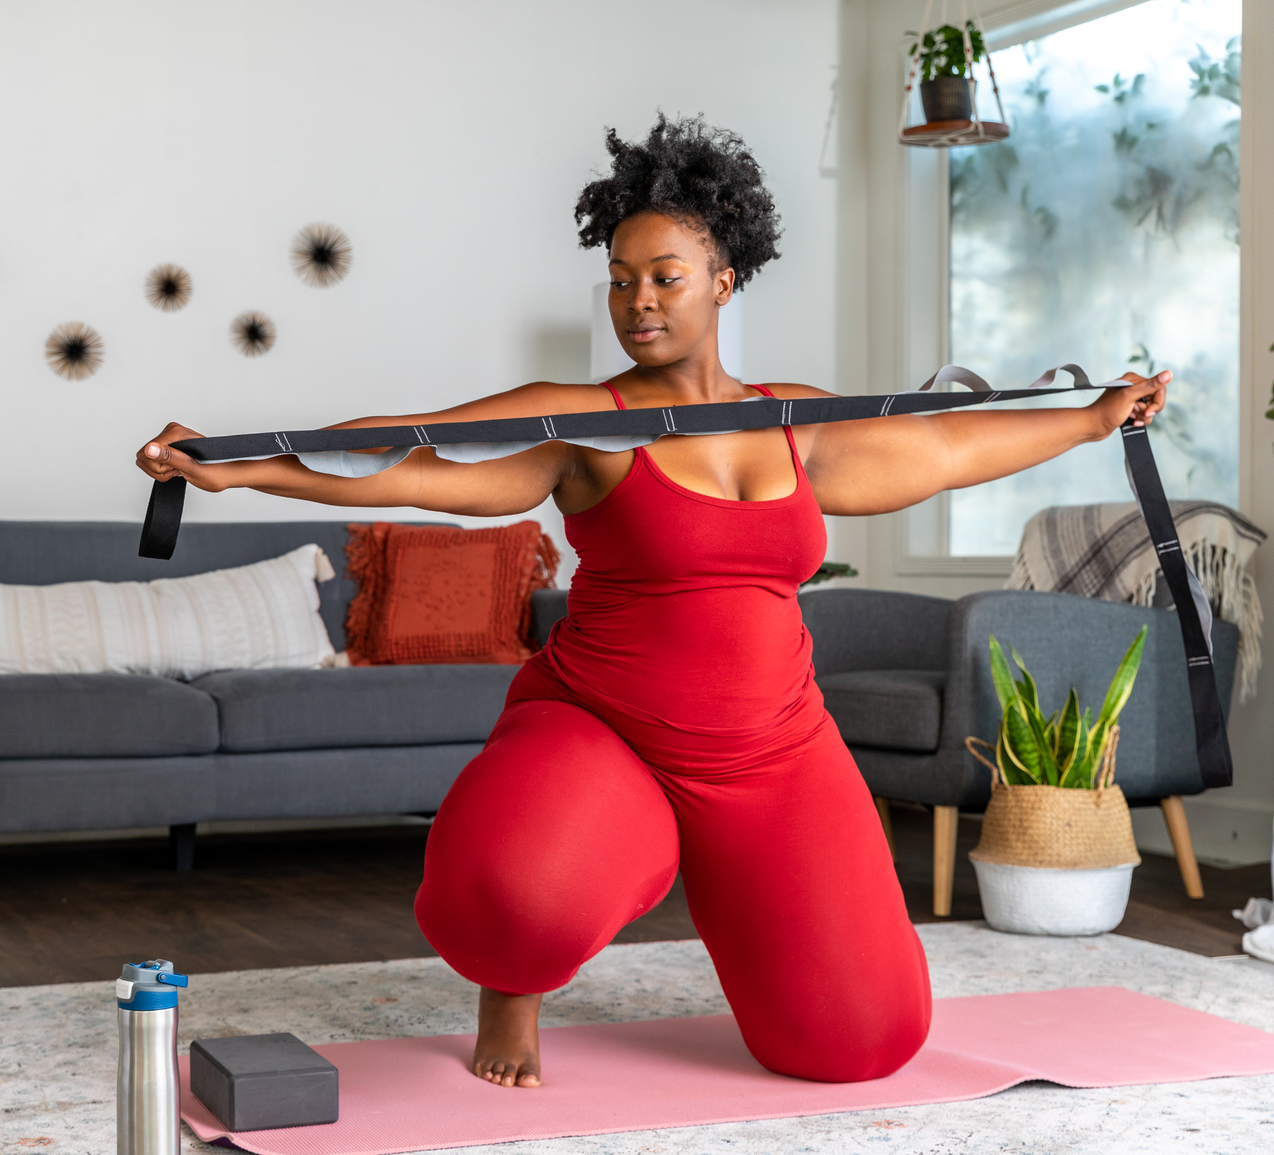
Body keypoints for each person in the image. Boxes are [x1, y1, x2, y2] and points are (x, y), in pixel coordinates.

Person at [135, 113, 1168, 1088]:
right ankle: (517, 982)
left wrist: (1091, 419)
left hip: (772, 752)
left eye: (665, 277)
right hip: (604, 728)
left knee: (862, 1041)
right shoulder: (583, 423)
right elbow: (413, 452)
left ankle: (687, 856)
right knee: (513, 900)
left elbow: (942, 448)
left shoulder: (795, 422)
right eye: (620, 280)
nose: (638, 301)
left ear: (722, 281)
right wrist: (241, 463)